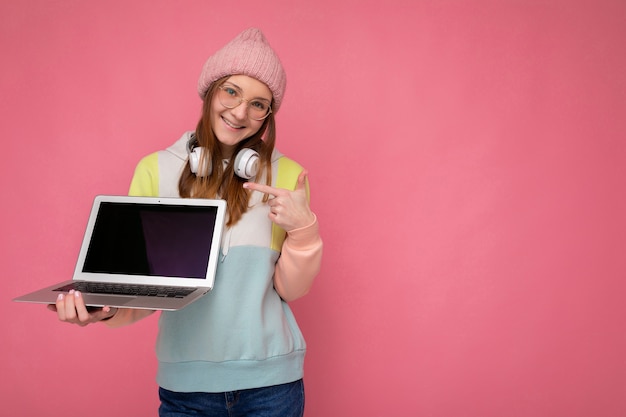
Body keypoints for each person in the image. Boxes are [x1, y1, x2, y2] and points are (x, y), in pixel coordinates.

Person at [49, 27, 323, 417]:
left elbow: (290, 289)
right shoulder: (155, 169)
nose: (240, 112)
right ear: (211, 92)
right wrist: (103, 309)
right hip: (186, 389)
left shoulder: (288, 176)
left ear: (268, 115)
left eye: (258, 103)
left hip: (272, 386)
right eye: (231, 91)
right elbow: (144, 290)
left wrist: (303, 229)